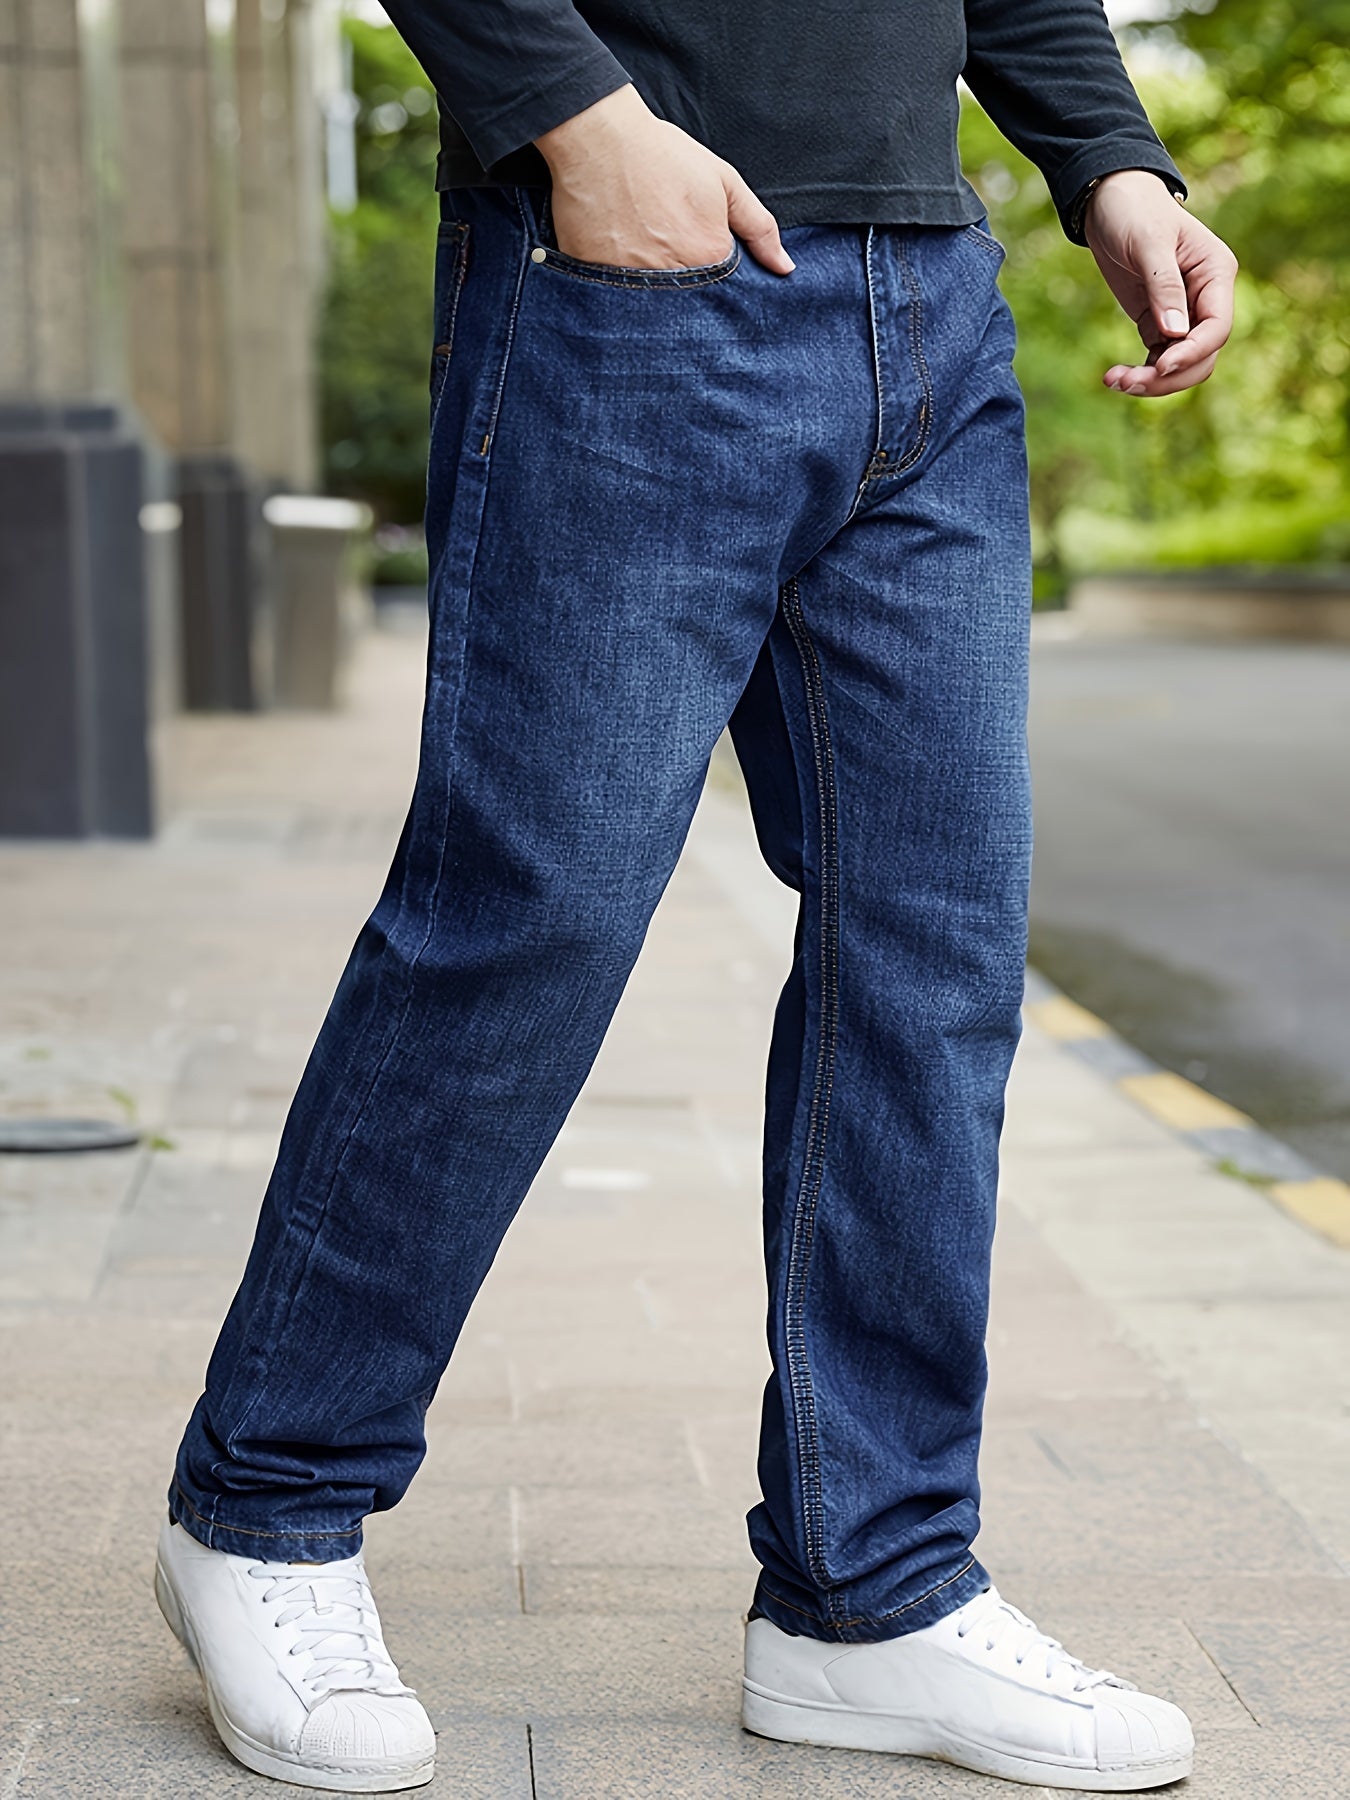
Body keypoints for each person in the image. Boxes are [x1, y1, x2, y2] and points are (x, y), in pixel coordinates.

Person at [153, 0, 1237, 1789]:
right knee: (532, 921)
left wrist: (1109, 158)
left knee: (934, 952)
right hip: (634, 278)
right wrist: (578, 123)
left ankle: (867, 1591)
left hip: (929, 299)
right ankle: (263, 1509)